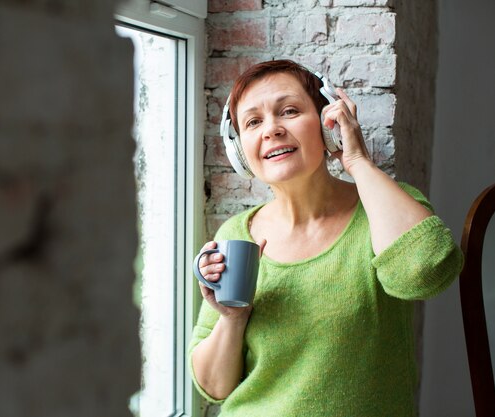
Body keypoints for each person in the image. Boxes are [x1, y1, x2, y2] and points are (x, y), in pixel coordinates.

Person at [189, 59, 464, 417]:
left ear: (327, 124)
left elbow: (428, 274)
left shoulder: (383, 210)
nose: (271, 129)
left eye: (288, 111)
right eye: (253, 122)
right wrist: (232, 318)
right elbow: (213, 387)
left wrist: (357, 159)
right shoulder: (235, 235)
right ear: (239, 150)